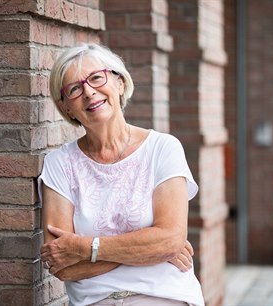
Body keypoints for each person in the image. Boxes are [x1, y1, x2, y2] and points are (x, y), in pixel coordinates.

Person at [39, 43, 204, 306]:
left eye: (96, 78)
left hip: (164, 298)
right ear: (66, 107)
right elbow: (63, 266)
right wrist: (149, 250)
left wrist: (83, 248)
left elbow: (171, 239)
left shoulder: (163, 148)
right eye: (74, 88)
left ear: (119, 82)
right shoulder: (59, 164)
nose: (89, 92)